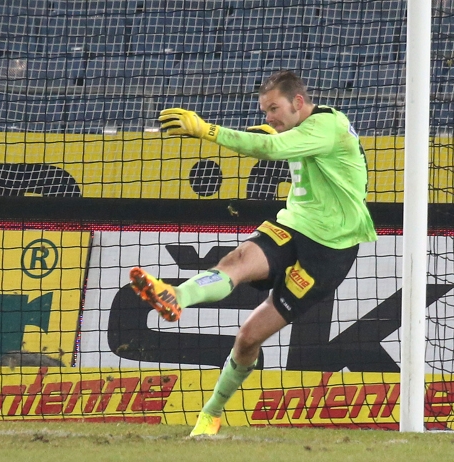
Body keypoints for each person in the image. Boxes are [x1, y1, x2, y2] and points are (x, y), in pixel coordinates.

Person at [129, 70, 378, 437]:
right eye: (265, 111)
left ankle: (212, 411)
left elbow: (272, 148)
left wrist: (207, 130)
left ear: (297, 102)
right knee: (237, 261)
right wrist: (270, 130)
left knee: (248, 338)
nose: (269, 118)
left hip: (328, 252)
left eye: (274, 108)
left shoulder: (329, 125)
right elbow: (275, 138)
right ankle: (176, 295)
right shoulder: (298, 127)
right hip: (295, 225)